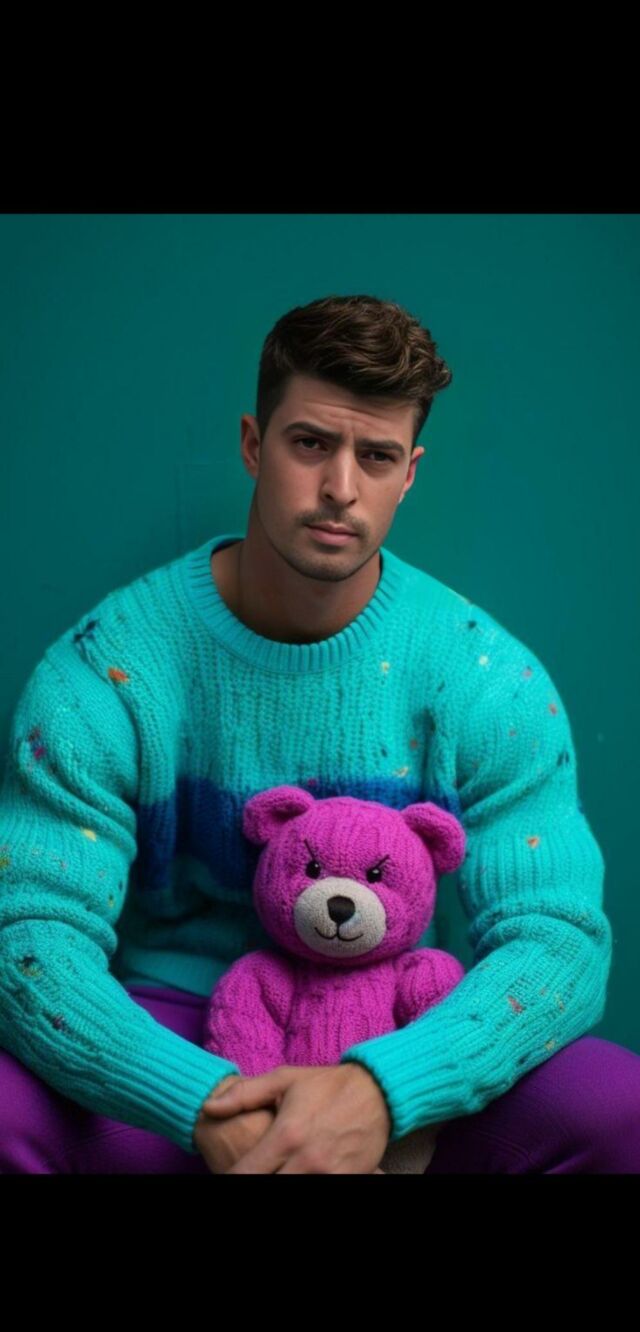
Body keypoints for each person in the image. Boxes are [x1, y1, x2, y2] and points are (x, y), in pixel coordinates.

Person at [1, 292, 638, 1175]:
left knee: (619, 1107)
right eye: (310, 444)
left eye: (376, 456)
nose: (341, 487)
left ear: (409, 473)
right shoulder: (107, 672)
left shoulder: (487, 678)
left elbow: (558, 937)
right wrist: (204, 1106)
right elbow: (29, 934)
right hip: (167, 1043)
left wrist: (385, 1092)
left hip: (402, 1034)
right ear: (253, 445)